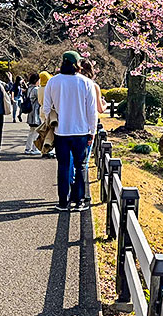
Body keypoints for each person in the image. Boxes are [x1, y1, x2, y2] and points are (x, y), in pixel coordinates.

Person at [42, 51, 97, 212]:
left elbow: (46, 108)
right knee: (80, 166)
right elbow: (92, 111)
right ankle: (79, 201)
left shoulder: (53, 82)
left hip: (61, 132)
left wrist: (53, 120)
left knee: (63, 166)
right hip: (81, 132)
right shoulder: (86, 82)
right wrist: (92, 131)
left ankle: (62, 202)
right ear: (77, 64)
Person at [24, 73, 42, 155]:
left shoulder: (29, 88)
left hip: (31, 113)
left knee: (31, 132)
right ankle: (34, 149)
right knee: (36, 132)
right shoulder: (36, 89)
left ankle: (28, 148)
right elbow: (40, 100)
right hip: (36, 113)